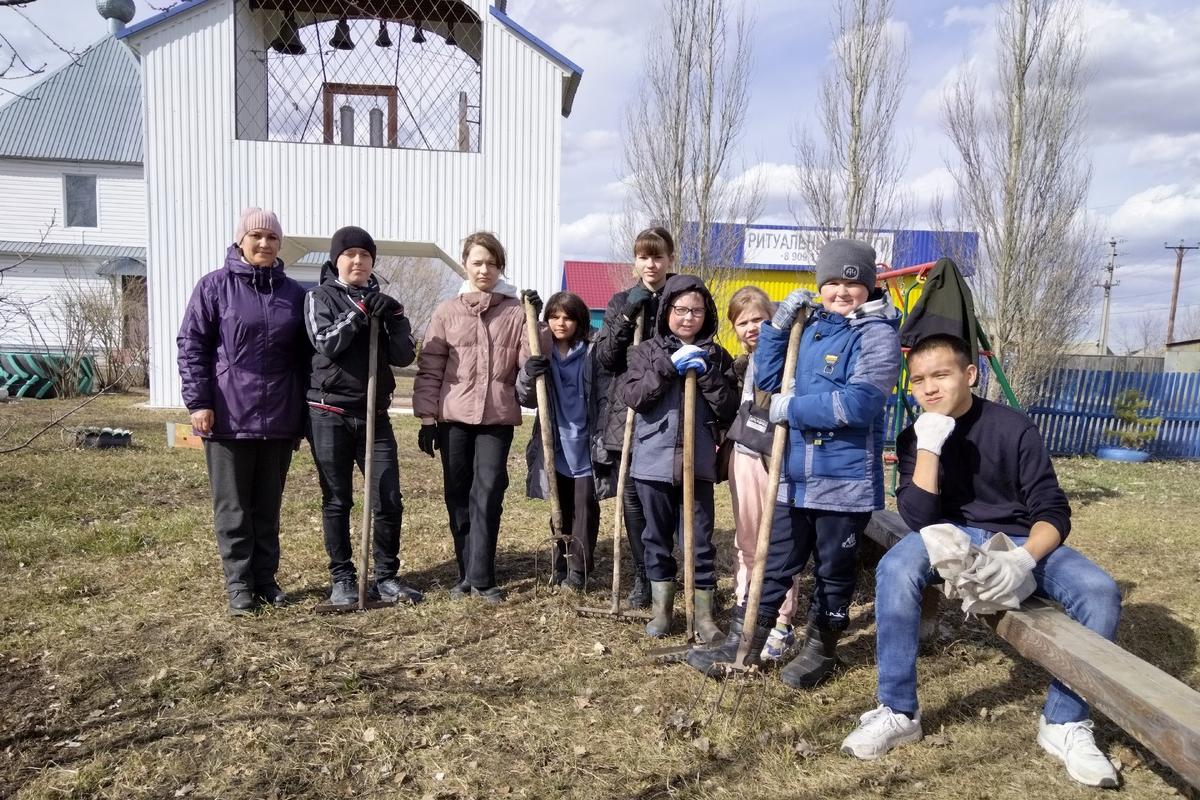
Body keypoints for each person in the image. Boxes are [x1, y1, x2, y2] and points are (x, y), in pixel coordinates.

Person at [839, 333, 1121, 789]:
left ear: (970, 375)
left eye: (941, 375)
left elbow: (1052, 510)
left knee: (1099, 591)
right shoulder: (915, 435)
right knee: (895, 568)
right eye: (918, 381)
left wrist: (1024, 560)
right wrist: (929, 444)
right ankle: (898, 710)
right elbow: (919, 518)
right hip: (946, 533)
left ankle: (1064, 722)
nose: (929, 388)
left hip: (1018, 537)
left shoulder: (1013, 428)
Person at [688, 238, 900, 686]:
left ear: (869, 285)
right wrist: (779, 327)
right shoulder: (811, 328)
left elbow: (859, 404)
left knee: (832, 569)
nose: (842, 291)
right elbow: (766, 378)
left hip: (844, 484)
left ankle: (822, 648)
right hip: (794, 476)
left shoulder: (877, 335)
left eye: (852, 282)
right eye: (832, 282)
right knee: (774, 561)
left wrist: (793, 410)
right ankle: (744, 640)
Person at [177, 208, 309, 616]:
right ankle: (239, 585)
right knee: (233, 507)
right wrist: (198, 402)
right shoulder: (213, 287)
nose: (265, 244)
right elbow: (192, 346)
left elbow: (306, 358)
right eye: (256, 236)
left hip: (280, 416)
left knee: (268, 506)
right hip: (229, 416)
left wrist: (302, 415)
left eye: (272, 238)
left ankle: (266, 581)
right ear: (240, 241)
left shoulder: (294, 294)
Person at [413, 232, 538, 603]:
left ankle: (483, 577)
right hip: (452, 417)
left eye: (491, 262)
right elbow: (431, 366)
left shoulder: (515, 312)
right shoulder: (446, 311)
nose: (484, 269)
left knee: (488, 493)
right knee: (458, 495)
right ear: (465, 264)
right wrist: (425, 417)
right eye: (477, 262)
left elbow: (529, 360)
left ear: (501, 266)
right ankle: (465, 572)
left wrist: (536, 320)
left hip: (496, 418)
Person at [304, 226, 423, 607]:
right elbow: (326, 343)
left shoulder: (384, 302)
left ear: (373, 261)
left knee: (388, 498)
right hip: (329, 412)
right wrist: (359, 311)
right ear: (336, 260)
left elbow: (404, 356)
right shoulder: (318, 297)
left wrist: (398, 317)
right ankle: (342, 579)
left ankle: (385, 578)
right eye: (350, 254)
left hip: (374, 415)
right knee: (338, 500)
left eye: (365, 255)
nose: (358, 261)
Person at [620, 274, 737, 641]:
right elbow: (634, 396)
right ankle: (662, 612)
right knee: (656, 538)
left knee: (699, 541)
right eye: (681, 309)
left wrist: (707, 376)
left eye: (697, 310)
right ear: (667, 310)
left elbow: (730, 407)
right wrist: (669, 367)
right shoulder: (646, 352)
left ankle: (703, 617)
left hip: (697, 463)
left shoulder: (716, 355)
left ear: (707, 314)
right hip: (652, 463)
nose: (688, 317)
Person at [593, 226, 677, 608]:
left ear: (670, 259)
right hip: (627, 409)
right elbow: (608, 358)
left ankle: (668, 573)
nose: (651, 263)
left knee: (663, 496)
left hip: (668, 409)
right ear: (635, 261)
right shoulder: (621, 301)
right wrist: (629, 314)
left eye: (658, 256)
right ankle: (644, 577)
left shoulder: (683, 295)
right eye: (644, 256)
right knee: (631, 497)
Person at [724, 286, 802, 661]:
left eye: (759, 319)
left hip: (777, 457)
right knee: (747, 541)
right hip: (745, 454)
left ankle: (780, 623)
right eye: (743, 322)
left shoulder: (792, 356)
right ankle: (745, 613)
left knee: (776, 545)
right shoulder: (745, 363)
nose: (752, 327)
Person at [517, 291, 609, 591]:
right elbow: (525, 397)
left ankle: (579, 570)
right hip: (554, 441)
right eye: (554, 317)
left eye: (568, 317)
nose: (561, 323)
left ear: (579, 320)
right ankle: (560, 561)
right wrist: (528, 375)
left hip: (587, 440)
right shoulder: (540, 348)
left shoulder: (593, 350)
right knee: (560, 505)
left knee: (584, 505)